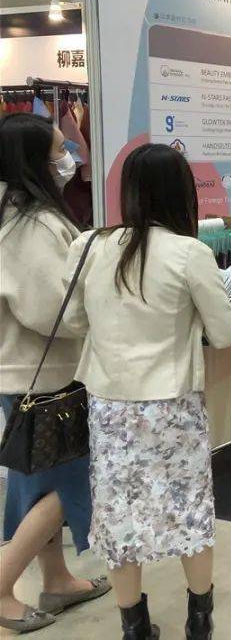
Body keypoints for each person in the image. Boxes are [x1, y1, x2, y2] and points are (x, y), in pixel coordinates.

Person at [62, 143, 231, 640]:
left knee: (118, 515)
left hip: (110, 407)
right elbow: (225, 333)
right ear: (183, 193)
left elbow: (73, 322)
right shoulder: (190, 253)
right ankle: (199, 621)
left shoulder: (88, 246)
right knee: (190, 510)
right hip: (173, 406)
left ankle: (134, 627)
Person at [0, 114, 112, 634]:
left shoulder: (17, 214)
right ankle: (2, 584)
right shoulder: (32, 224)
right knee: (68, 483)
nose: (69, 160)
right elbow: (52, 309)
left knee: (41, 478)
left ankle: (57, 579)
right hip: (45, 374)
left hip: (26, 371)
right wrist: (102, 308)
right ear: (33, 162)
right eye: (58, 152)